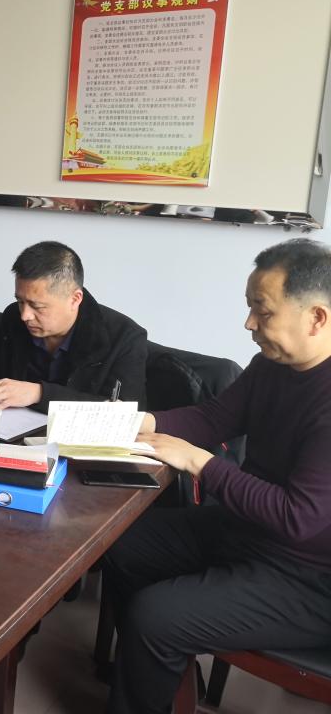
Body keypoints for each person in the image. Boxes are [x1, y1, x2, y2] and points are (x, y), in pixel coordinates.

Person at [103, 238, 331, 714]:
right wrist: (143, 422)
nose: (249, 324)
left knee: (153, 618)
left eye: (262, 311)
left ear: (317, 317)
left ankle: (155, 655)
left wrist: (201, 463)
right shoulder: (271, 365)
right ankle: (155, 675)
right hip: (247, 530)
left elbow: (298, 517)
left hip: (308, 577)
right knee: (118, 541)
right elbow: (213, 419)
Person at [0, 241, 146, 412]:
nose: (25, 315)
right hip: (12, 435)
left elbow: (124, 414)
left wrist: (39, 393)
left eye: (37, 306)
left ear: (75, 299)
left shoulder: (125, 338)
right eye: (20, 301)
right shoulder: (14, 316)